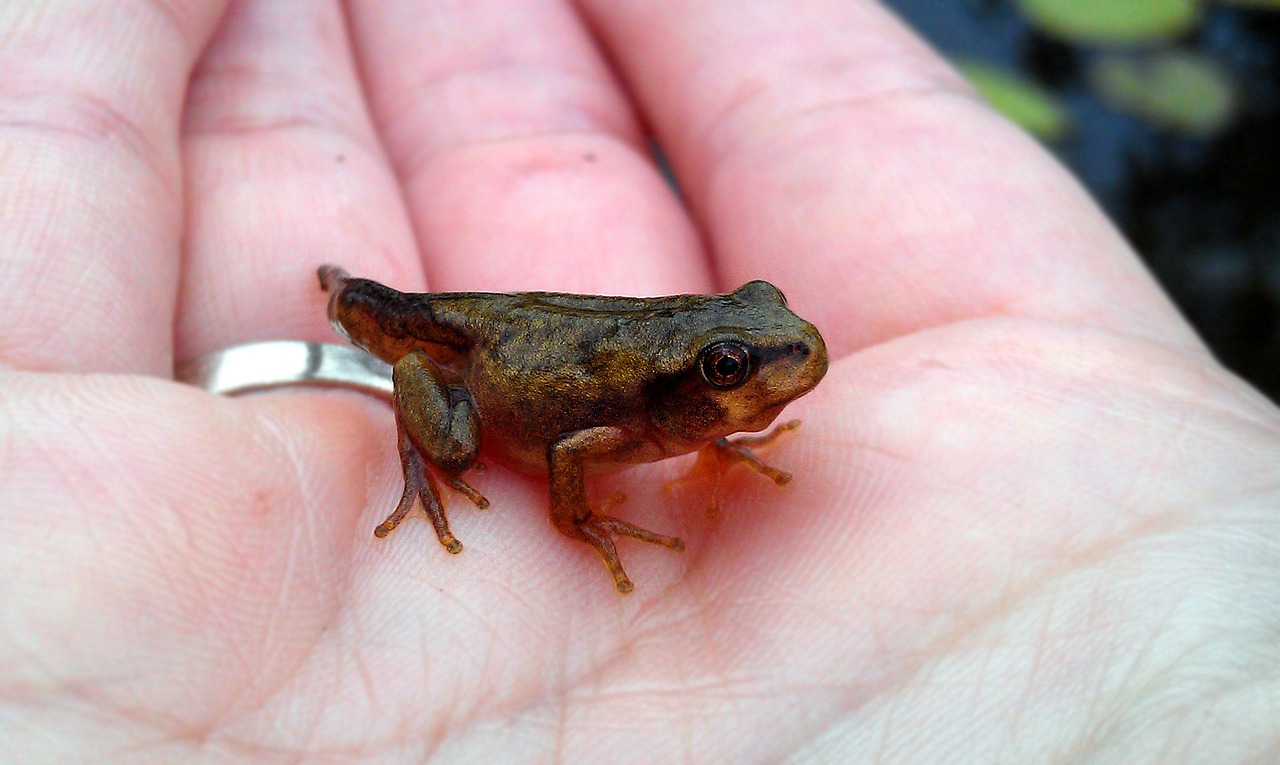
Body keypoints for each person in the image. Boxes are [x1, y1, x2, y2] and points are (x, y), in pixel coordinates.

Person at [2, 1, 1276, 761]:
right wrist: (588, 520)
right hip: (503, 367)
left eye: (758, 340)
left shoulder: (695, 402)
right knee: (449, 442)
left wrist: (720, 431)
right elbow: (562, 455)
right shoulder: (622, 430)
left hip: (559, 333)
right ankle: (390, 393)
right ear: (686, 389)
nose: (780, 361)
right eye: (734, 369)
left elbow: (704, 367)